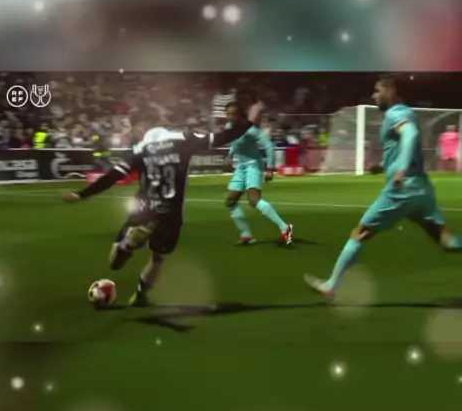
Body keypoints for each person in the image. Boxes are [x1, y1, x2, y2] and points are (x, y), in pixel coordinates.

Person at [60, 102, 264, 306]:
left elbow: (113, 176)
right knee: (158, 258)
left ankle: (127, 244)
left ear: (140, 126)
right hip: (171, 213)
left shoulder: (140, 149)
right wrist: (248, 123)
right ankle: (140, 297)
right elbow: (222, 137)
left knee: (114, 262)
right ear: (158, 121)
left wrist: (82, 195)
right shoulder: (183, 139)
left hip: (144, 208)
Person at [305, 75, 462, 299]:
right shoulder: (406, 112)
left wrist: (401, 169)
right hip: (422, 189)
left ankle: (331, 285)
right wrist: (384, 165)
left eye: (378, 90)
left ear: (392, 91)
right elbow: (403, 142)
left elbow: (410, 134)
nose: (374, 95)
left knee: (360, 233)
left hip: (402, 190)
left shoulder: (395, 114)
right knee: (447, 241)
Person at [225, 102, 293, 245]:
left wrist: (270, 168)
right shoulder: (228, 127)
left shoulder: (251, 131)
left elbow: (269, 146)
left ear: (240, 115)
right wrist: (230, 155)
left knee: (253, 200)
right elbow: (234, 143)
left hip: (253, 165)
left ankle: (284, 227)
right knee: (231, 201)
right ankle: (246, 234)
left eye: (233, 114)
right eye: (228, 114)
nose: (230, 117)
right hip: (241, 167)